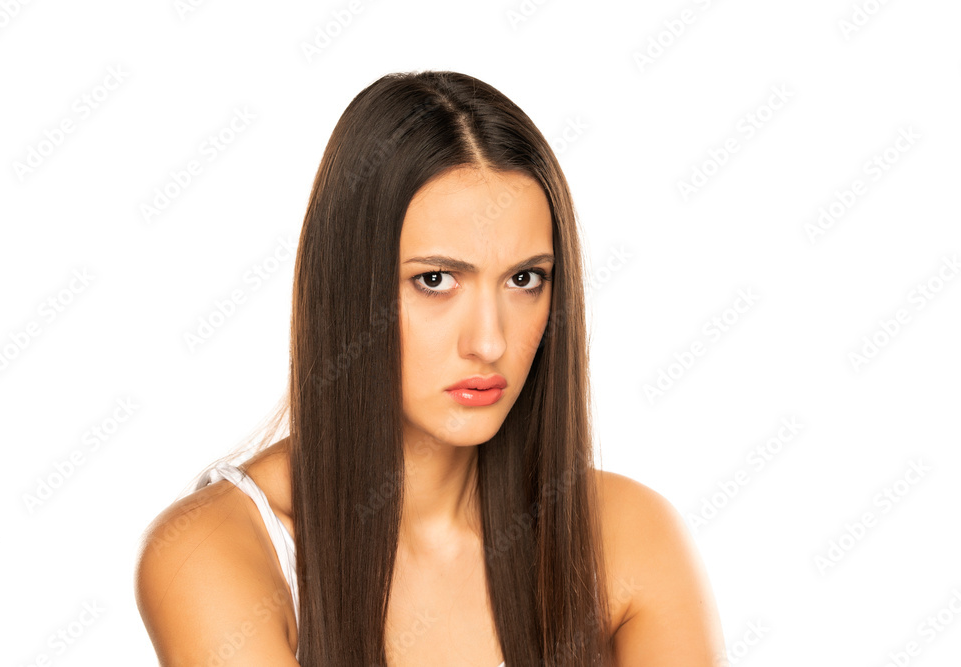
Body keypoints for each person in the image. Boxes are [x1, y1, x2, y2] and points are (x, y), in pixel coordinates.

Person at [133, 70, 725, 666]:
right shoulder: (213, 551)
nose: (489, 342)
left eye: (525, 279)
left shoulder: (628, 536)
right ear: (348, 289)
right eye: (436, 280)